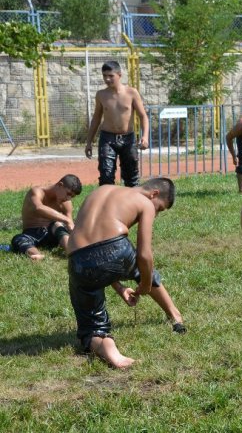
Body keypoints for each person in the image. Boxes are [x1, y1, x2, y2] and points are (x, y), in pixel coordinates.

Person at [66, 178, 186, 370]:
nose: (156, 213)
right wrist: (145, 284)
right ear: (154, 193)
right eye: (160, 209)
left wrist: (120, 287)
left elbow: (96, 251)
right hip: (115, 251)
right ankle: (175, 315)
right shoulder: (145, 202)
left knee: (92, 326)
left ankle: (111, 352)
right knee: (142, 268)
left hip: (78, 261)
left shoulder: (102, 190)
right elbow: (144, 255)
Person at [84, 60, 150, 187]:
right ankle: (107, 204)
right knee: (106, 175)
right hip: (107, 139)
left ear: (119, 75)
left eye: (110, 76)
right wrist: (88, 142)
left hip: (128, 138)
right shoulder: (101, 95)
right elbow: (96, 119)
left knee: (131, 177)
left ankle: (132, 204)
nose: (107, 79)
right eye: (104, 76)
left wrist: (145, 136)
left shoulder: (132, 93)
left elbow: (143, 116)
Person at [10, 174, 82, 261]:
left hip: (53, 235)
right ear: (60, 185)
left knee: (57, 224)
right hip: (31, 233)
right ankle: (36, 255)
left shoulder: (66, 202)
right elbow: (38, 208)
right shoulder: (37, 192)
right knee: (18, 238)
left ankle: (71, 252)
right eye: (68, 193)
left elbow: (70, 227)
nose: (68, 198)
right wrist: (66, 219)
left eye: (72, 196)